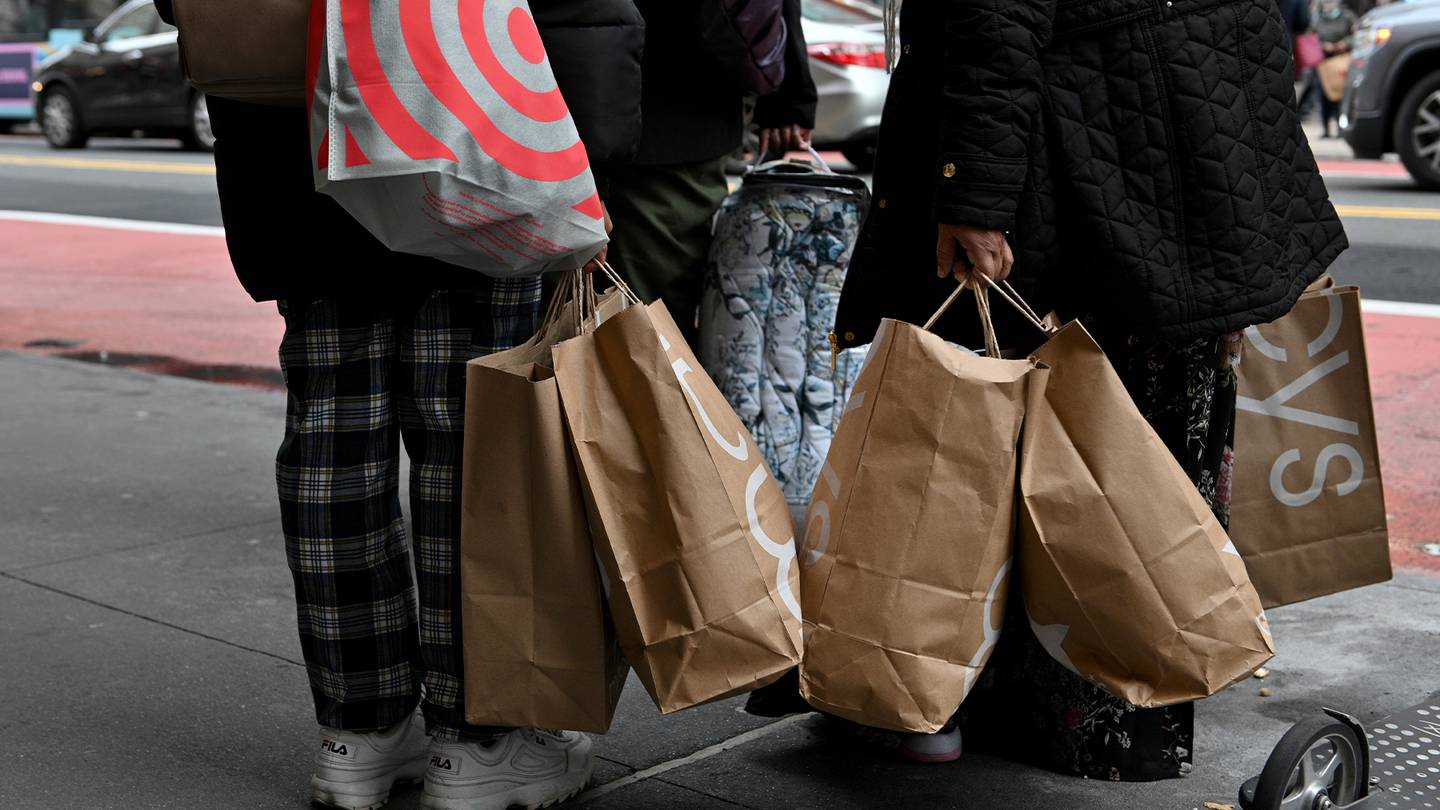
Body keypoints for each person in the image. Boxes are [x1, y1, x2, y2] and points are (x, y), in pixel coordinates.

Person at [830, 0, 1347, 779]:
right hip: (1190, 144)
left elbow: (994, 23)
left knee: (1002, 434)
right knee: (1141, 434)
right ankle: (1129, 696)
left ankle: (949, 686)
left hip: (1082, 161)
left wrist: (974, 193)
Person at [156, 0, 643, 807]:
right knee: (472, 448)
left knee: (332, 444)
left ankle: (360, 731)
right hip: (461, 123)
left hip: (296, 148)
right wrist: (588, 159)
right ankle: (474, 740)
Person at [602, 0, 817, 347]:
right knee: (646, 318)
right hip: (675, 106)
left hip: (673, 108)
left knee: (650, 322)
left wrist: (789, 93)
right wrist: (789, 94)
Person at [1314, 0, 1360, 137]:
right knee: (1323, 96)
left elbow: (1356, 35)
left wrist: (1344, 44)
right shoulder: (1317, 18)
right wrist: (1322, 45)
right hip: (1323, 63)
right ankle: (1326, 129)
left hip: (1342, 61)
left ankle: (1341, 128)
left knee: (1341, 95)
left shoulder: (1348, 17)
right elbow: (1311, 37)